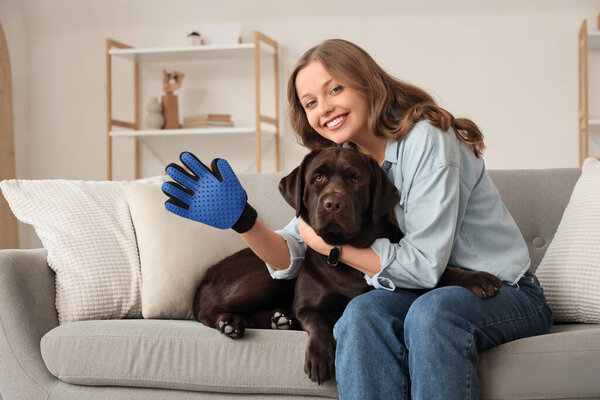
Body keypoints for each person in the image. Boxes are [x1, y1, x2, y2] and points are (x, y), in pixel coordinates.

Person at [163, 39, 553, 400]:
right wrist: (244, 220)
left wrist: (332, 246)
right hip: (423, 292)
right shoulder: (346, 159)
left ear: (367, 86)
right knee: (360, 314)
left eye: (334, 90)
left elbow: (424, 267)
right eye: (310, 102)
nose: (324, 108)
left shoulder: (428, 140)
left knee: (432, 316)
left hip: (502, 291)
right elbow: (294, 250)